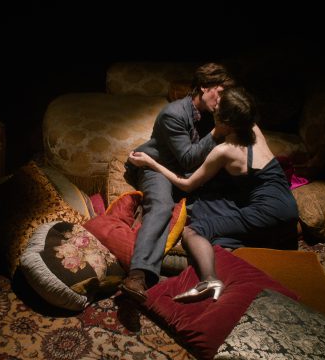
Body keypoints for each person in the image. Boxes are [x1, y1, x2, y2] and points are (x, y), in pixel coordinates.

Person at [128, 86, 299, 302]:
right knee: (212, 213)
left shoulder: (224, 150)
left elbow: (187, 185)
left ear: (224, 122)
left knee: (193, 231)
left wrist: (151, 162)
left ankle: (209, 280)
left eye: (218, 107)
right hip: (289, 205)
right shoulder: (253, 128)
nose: (215, 105)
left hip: (265, 211)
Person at [119, 62, 236, 303]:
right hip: (158, 167)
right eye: (220, 93)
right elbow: (187, 158)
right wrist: (217, 132)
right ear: (204, 87)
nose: (222, 100)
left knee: (220, 199)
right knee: (162, 206)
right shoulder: (173, 114)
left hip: (188, 172)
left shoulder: (211, 113)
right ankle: (137, 275)